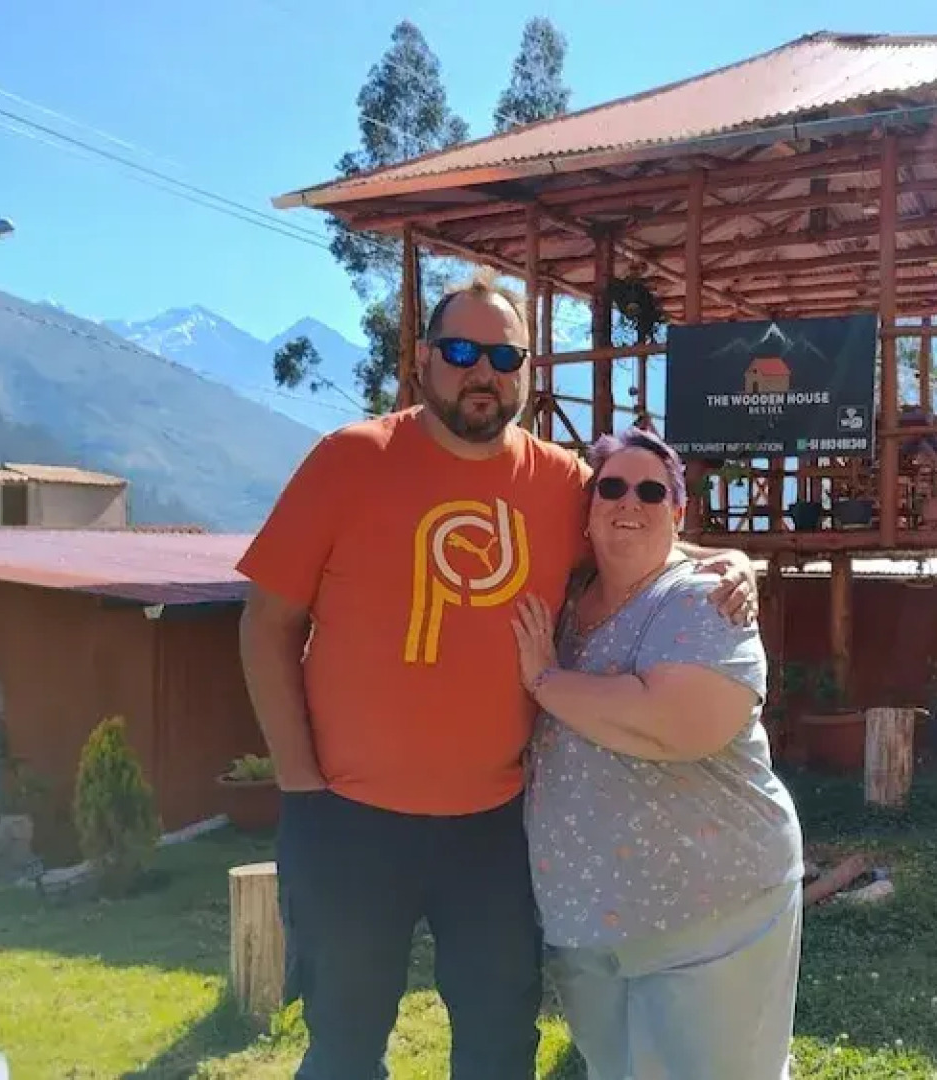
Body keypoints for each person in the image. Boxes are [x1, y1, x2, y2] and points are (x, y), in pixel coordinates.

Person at [235, 274, 758, 1080]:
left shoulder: (559, 482)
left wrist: (728, 559)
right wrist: (301, 785)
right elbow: (266, 625)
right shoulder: (349, 459)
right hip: (347, 821)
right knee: (343, 1047)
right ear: (422, 360)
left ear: (526, 371)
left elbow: (634, 531)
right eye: (460, 351)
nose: (482, 371)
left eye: (504, 356)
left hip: (495, 828)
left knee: (499, 1045)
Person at [509, 427, 804, 1080]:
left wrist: (547, 683)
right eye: (611, 487)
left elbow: (678, 723)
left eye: (651, 491)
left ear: (678, 510)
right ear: (588, 512)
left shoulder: (704, 597)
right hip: (585, 918)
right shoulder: (567, 600)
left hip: (709, 912)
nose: (629, 502)